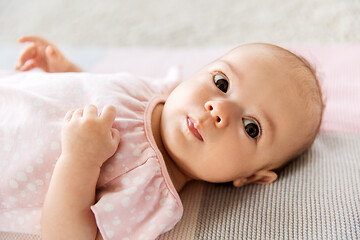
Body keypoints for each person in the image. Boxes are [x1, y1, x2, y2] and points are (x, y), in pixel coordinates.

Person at [0, 36, 323, 240]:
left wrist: (79, 160)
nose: (219, 108)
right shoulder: (155, 92)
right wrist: (66, 70)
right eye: (222, 83)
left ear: (251, 175)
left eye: (251, 127)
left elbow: (67, 235)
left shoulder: (151, 195)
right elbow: (97, 90)